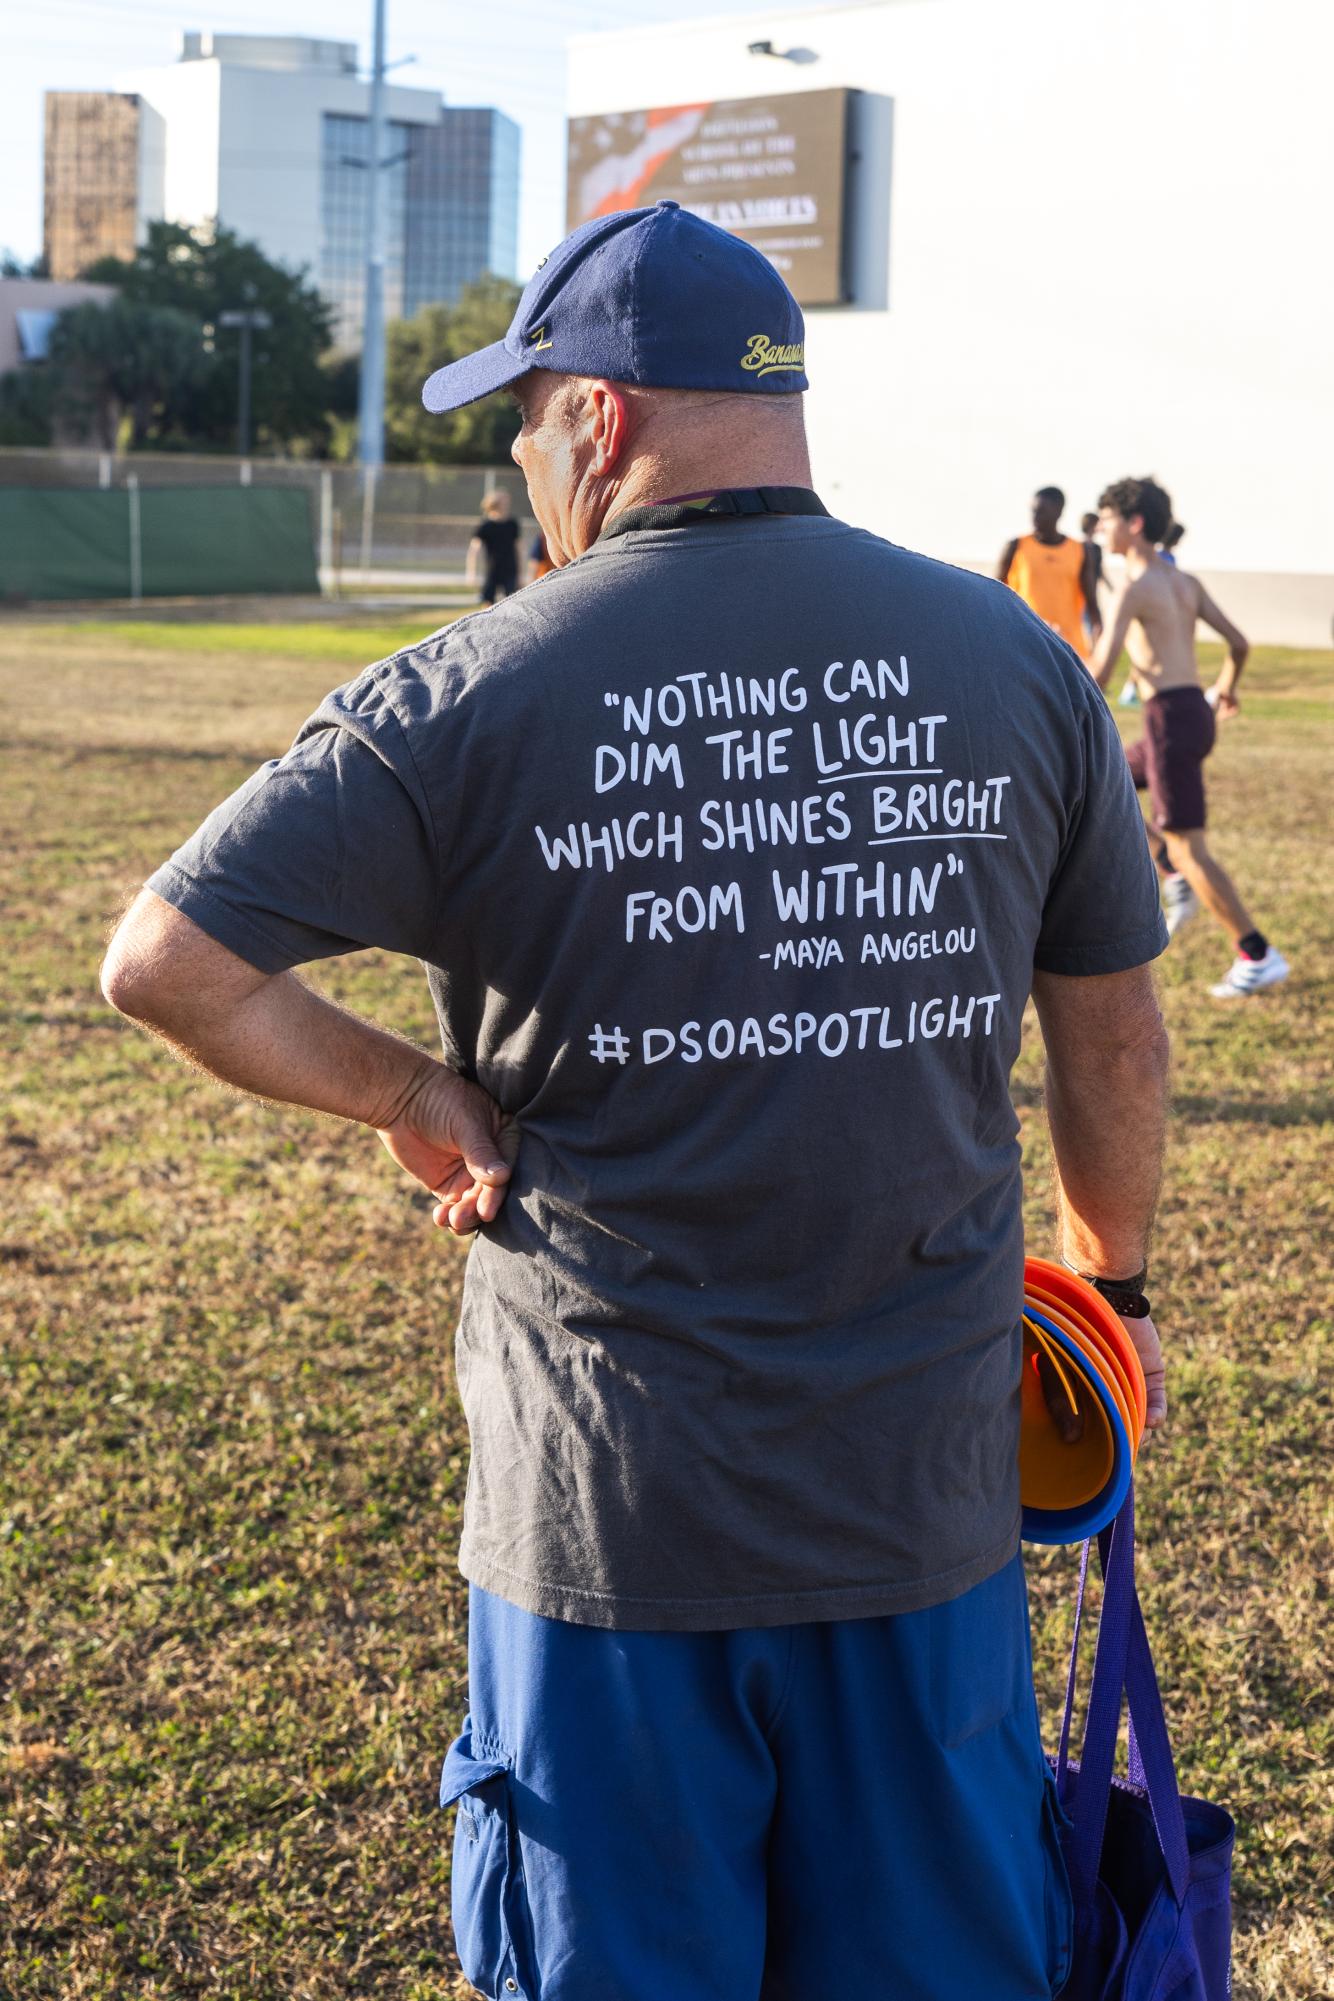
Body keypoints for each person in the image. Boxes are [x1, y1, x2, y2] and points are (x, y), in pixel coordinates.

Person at [101, 200, 1171, 2000]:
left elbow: (164, 962)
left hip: (606, 1522)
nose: (522, 466)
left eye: (522, 420)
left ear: (593, 420)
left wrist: (405, 1086)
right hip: (917, 1510)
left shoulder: (465, 688)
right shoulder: (1011, 666)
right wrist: (1104, 1299)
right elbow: (1114, 1038)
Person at [1090, 475, 1289, 996]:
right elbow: (1239, 643)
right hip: (1192, 713)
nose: (1100, 528)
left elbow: (1100, 673)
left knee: (1189, 847)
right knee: (1105, 781)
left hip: (1169, 722)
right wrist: (1225, 687)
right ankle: (1171, 875)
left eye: (1107, 519)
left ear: (1133, 525)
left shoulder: (1133, 588)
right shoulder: (1184, 583)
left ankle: (1256, 952)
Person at [999, 486, 1102, 657]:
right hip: (1023, 643)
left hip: (1068, 648)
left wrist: (1098, 642)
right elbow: (995, 596)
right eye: (1033, 511)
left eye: (1041, 512)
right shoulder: (1016, 547)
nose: (1034, 517)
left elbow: (1092, 603)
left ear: (1059, 512)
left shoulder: (1080, 551)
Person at [466, 489, 520, 603]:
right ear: (495, 503)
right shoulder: (485, 526)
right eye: (503, 502)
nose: (506, 504)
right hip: (492, 570)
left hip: (510, 569)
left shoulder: (512, 524)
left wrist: (521, 573)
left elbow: (519, 548)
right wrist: (471, 573)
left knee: (512, 602)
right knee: (488, 602)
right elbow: (474, 550)